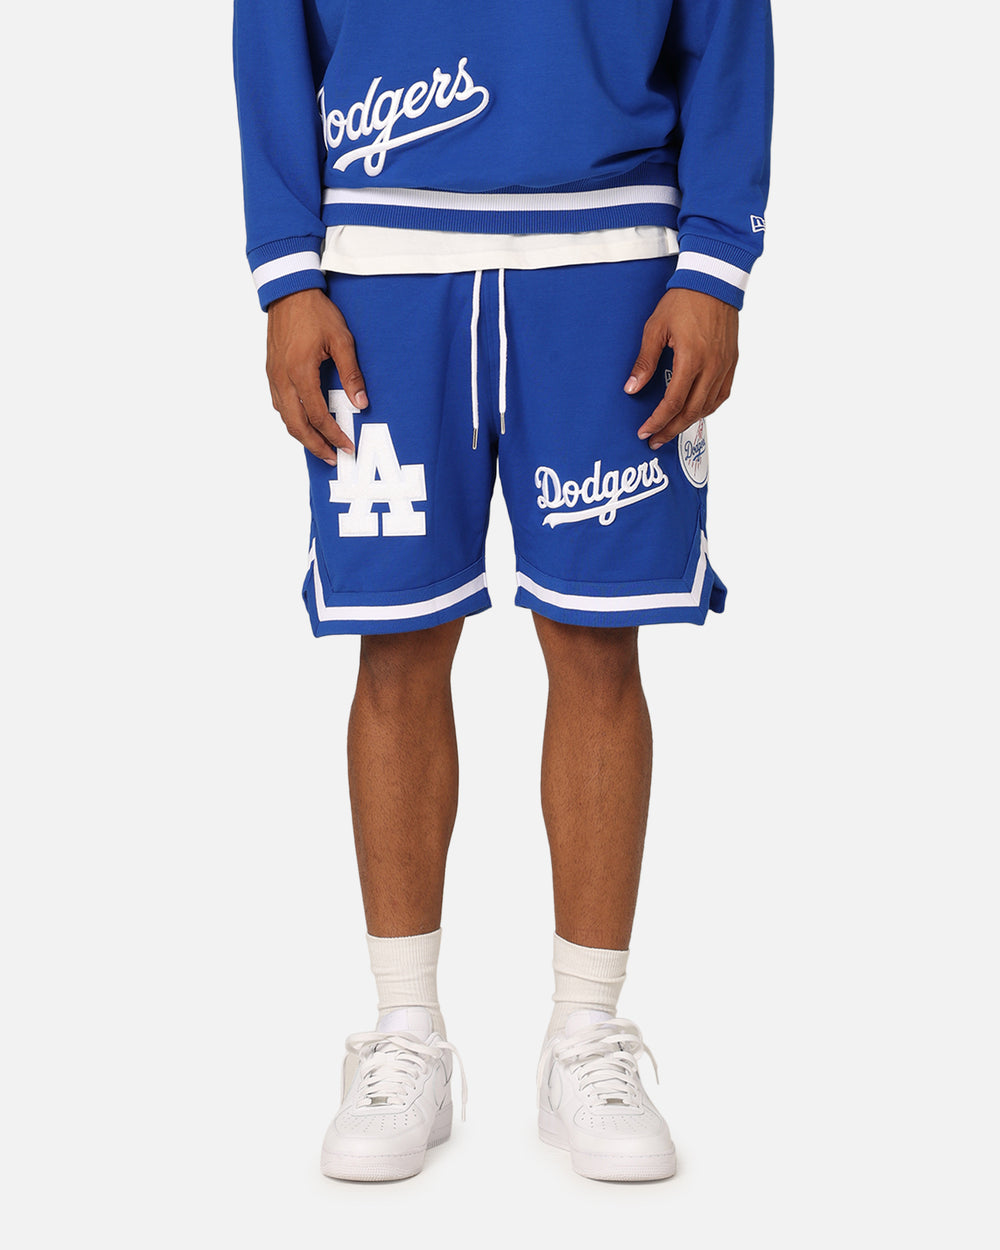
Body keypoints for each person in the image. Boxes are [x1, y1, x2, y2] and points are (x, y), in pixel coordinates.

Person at [233, 0, 773, 1183]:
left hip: (608, 261)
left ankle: (585, 1031)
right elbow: (269, 23)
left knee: (596, 640)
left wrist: (715, 261)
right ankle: (404, 1030)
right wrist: (284, 272)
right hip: (381, 263)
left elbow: (728, 22)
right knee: (396, 641)